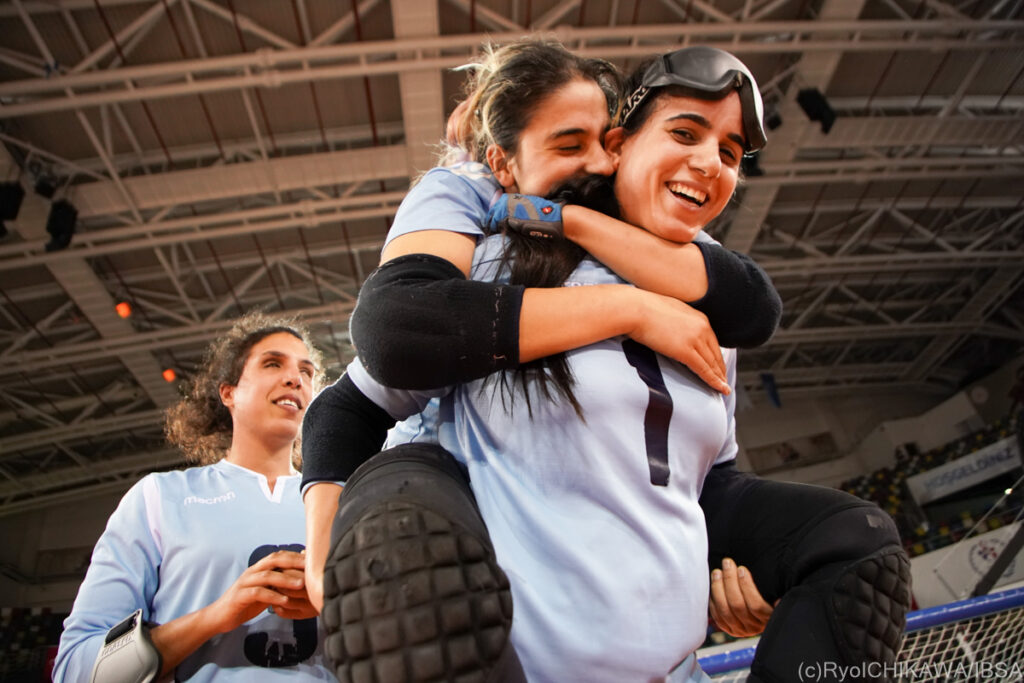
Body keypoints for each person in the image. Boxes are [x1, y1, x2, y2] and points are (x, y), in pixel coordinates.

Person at [303, 41, 795, 682]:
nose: (596, 163)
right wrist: (323, 557)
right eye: (569, 146)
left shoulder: (681, 284)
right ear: (502, 166)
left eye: (606, 142)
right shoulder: (477, 223)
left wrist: (730, 571)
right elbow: (385, 344)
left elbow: (754, 308)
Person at [54, 312, 334, 682]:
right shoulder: (160, 498)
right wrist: (218, 615)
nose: (294, 379)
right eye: (272, 363)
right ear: (228, 392)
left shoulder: (340, 505)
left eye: (307, 372)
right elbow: (76, 669)